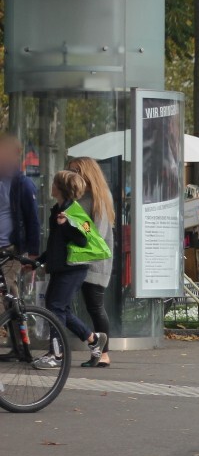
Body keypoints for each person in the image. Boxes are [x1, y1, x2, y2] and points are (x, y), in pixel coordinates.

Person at [34, 170, 106, 369]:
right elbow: (55, 244)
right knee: (59, 308)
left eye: (54, 183)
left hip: (73, 269)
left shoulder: (75, 211)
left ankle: (56, 355)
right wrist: (38, 261)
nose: (51, 186)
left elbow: (83, 239)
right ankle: (93, 339)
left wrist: (66, 225)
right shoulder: (57, 210)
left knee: (55, 308)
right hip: (61, 267)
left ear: (60, 188)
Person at [68, 157, 114, 368]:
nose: (72, 175)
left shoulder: (99, 198)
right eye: (70, 171)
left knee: (95, 307)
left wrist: (80, 225)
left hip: (95, 262)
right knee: (63, 304)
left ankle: (104, 353)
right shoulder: (77, 196)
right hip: (77, 261)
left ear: (88, 173)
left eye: (76, 171)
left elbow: (96, 233)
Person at [0, 133, 40, 306]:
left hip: (9, 249)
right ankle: (16, 330)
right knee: (9, 296)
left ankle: (13, 331)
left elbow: (33, 220)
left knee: (6, 292)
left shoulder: (22, 184)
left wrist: (32, 255)